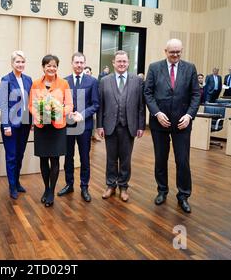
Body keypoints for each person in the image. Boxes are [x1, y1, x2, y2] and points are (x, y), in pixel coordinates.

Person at [144, 39, 200, 214]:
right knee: (160, 159)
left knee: (182, 160)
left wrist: (189, 115)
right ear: (165, 51)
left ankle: (183, 195)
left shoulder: (190, 68)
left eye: (178, 52)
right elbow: (148, 92)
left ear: (181, 51)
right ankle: (162, 190)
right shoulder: (154, 67)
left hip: (182, 123)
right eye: (172, 52)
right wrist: (156, 113)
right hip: (159, 122)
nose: (175, 55)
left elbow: (196, 94)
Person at [97, 50, 145, 202]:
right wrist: (99, 126)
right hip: (109, 125)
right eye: (119, 61)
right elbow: (101, 106)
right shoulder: (104, 81)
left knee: (125, 158)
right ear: (113, 63)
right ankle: (111, 185)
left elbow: (141, 105)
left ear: (128, 62)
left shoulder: (137, 81)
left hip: (129, 126)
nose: (122, 64)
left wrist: (141, 125)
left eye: (124, 61)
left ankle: (123, 186)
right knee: (111, 158)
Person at [29, 54, 73, 207]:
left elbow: (69, 105)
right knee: (43, 159)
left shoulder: (64, 84)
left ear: (57, 68)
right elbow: (31, 106)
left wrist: (58, 110)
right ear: (43, 67)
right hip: (42, 127)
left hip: (57, 127)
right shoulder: (35, 84)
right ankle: (46, 188)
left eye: (54, 66)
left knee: (54, 160)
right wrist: (39, 114)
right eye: (48, 65)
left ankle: (51, 192)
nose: (51, 68)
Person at [58, 52, 99, 202]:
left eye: (82, 62)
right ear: (72, 63)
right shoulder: (64, 81)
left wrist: (82, 114)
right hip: (68, 125)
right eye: (77, 62)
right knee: (68, 157)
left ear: (85, 63)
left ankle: (84, 186)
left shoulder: (93, 81)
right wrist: (65, 112)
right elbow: (60, 103)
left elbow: (95, 104)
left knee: (84, 158)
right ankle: (69, 184)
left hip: (84, 126)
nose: (79, 65)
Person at [0, 51, 32, 199]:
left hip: (25, 124)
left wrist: (32, 121)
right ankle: (12, 186)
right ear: (12, 63)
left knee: (20, 155)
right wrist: (6, 125)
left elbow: (30, 102)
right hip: (10, 126)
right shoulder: (6, 79)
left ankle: (17, 182)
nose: (20, 64)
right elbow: (4, 104)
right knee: (11, 156)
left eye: (22, 62)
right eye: (18, 62)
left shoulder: (28, 80)